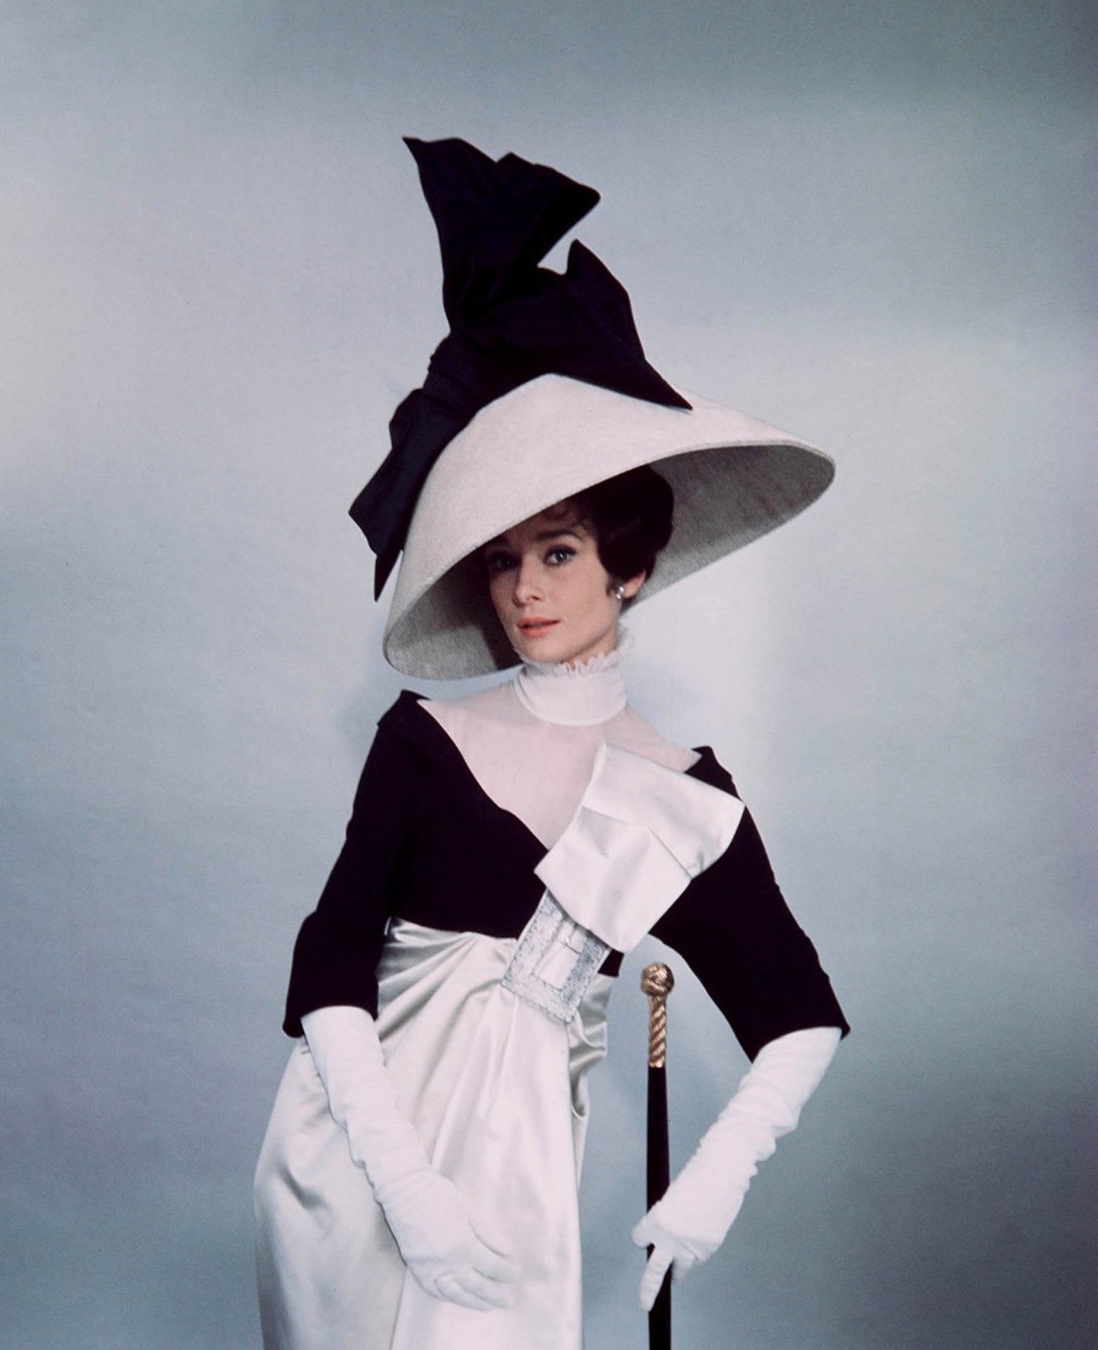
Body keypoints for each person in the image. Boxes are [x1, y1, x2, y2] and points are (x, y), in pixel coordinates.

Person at [253, 137, 849, 1350]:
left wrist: (712, 1186)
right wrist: (407, 1191)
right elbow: (331, 967)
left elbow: (799, 1016)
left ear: (629, 567)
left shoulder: (684, 799)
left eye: (561, 552)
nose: (525, 589)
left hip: (518, 1180)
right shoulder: (423, 741)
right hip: (353, 1160)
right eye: (503, 559)